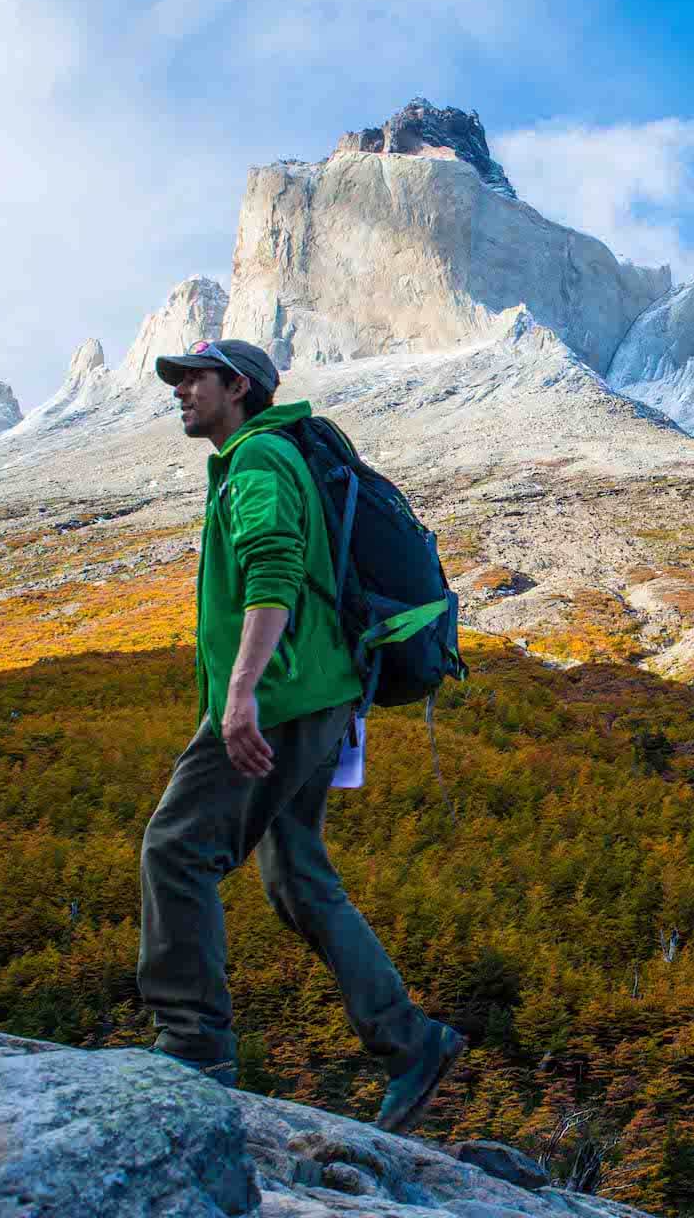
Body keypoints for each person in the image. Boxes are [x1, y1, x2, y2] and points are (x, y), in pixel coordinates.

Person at [137, 337, 464, 1133]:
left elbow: (272, 570)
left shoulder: (256, 461)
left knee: (176, 851)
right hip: (324, 697)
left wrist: (241, 693)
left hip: (279, 698)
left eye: (193, 378)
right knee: (296, 875)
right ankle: (409, 1040)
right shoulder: (283, 454)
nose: (179, 391)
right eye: (175, 379)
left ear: (237, 385)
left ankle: (193, 1049)